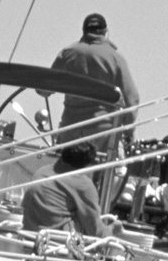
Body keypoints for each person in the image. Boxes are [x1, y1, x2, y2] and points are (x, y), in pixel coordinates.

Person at [48, 13, 141, 156]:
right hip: (101, 133)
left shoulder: (68, 53)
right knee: (106, 175)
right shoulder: (115, 58)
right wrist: (128, 131)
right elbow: (132, 98)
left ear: (84, 31)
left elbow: (45, 88)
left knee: (64, 171)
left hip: (70, 129)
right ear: (105, 32)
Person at [22, 141, 107, 235]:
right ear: (87, 164)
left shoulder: (42, 171)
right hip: (56, 240)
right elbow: (94, 228)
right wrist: (113, 231)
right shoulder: (83, 184)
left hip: (30, 234)